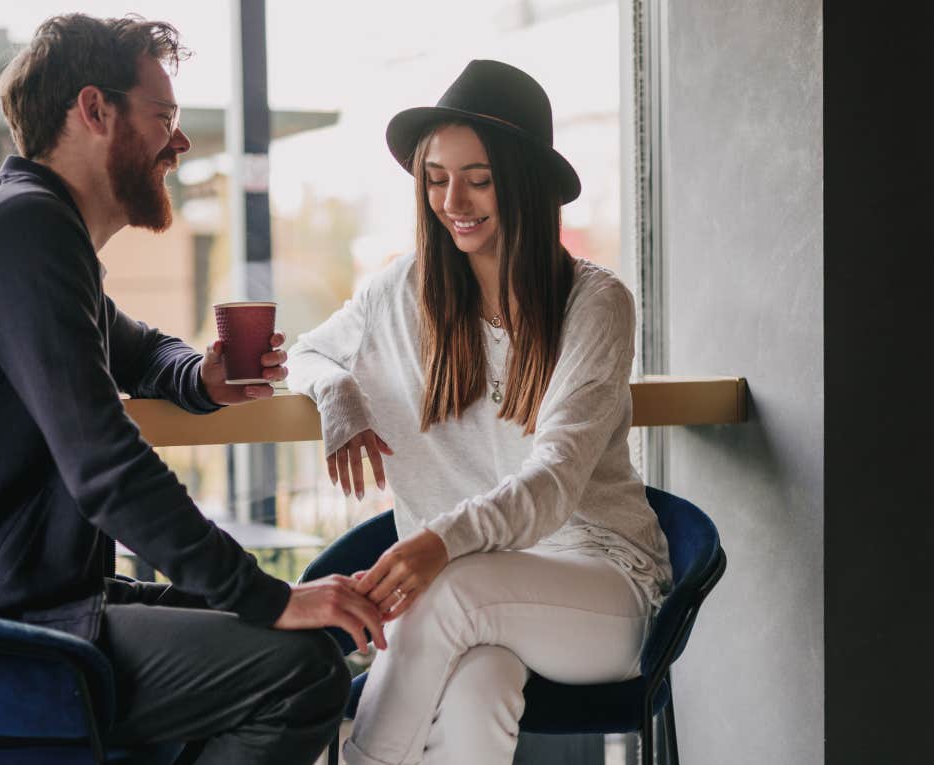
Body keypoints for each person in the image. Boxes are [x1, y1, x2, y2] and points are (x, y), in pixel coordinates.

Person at [0, 14, 385, 765]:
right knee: (298, 672)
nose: (180, 142)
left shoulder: (40, 232)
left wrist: (198, 377)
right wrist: (270, 594)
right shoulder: (25, 231)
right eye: (164, 117)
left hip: (15, 607)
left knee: (272, 638)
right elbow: (107, 467)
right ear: (95, 111)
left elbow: (140, 348)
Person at [287, 60, 674, 765]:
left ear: (524, 179)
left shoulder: (594, 303)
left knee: (449, 591)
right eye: (436, 176)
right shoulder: (401, 292)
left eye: (478, 177)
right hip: (487, 593)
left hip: (603, 587)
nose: (452, 198)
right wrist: (337, 394)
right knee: (479, 691)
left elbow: (555, 479)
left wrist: (439, 541)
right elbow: (308, 354)